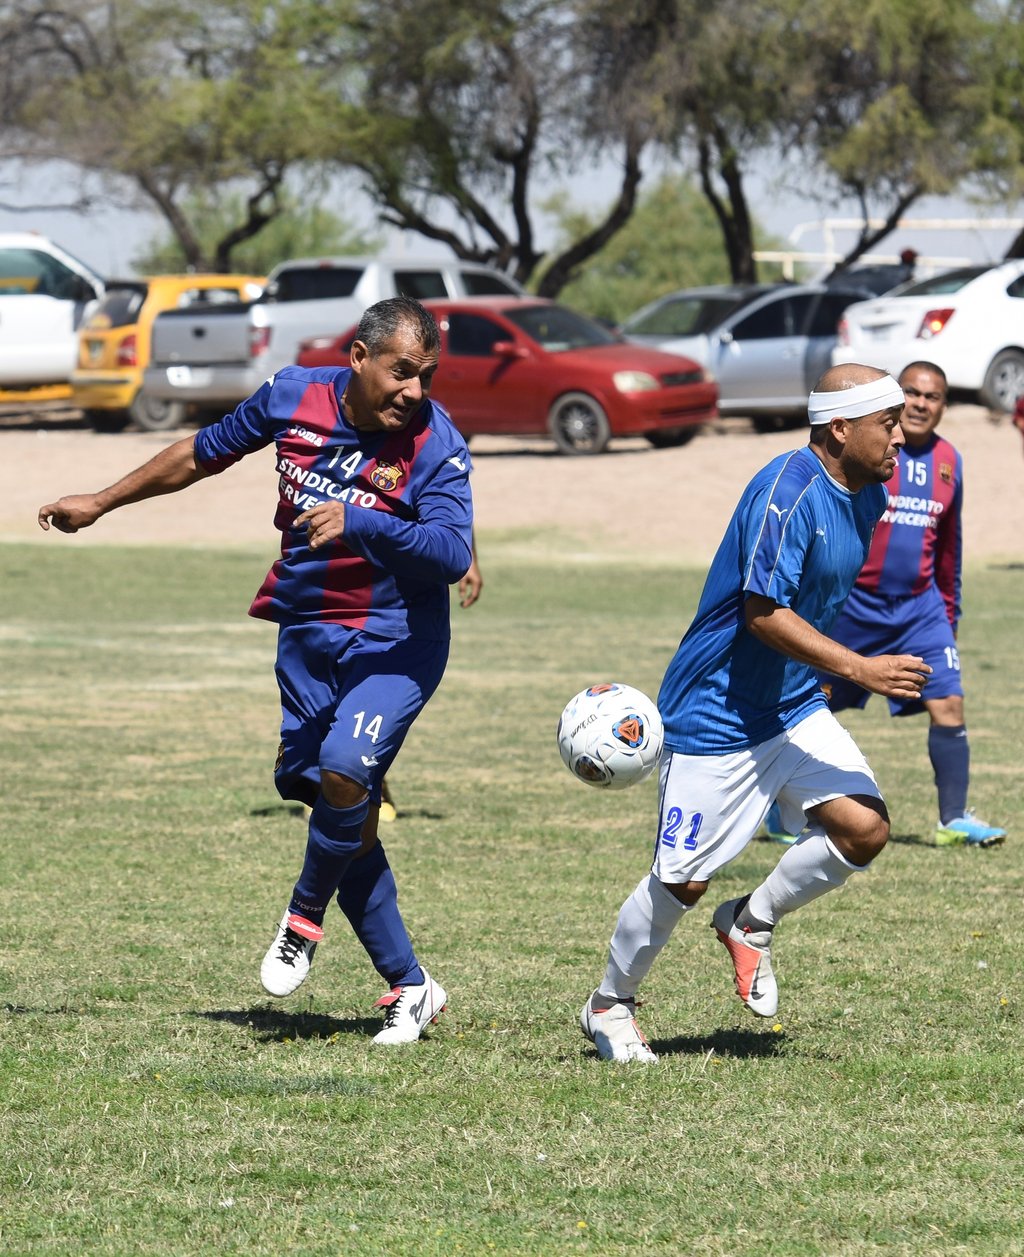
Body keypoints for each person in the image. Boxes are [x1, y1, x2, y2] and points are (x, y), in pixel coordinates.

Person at [38, 295, 473, 1046]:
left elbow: (453, 552)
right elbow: (199, 452)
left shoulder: (437, 438)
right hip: (306, 630)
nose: (415, 391)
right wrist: (102, 502)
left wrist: (365, 520)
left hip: (396, 638)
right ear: (359, 359)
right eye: (402, 372)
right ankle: (411, 985)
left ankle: (303, 917)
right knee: (337, 808)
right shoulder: (292, 396)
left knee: (344, 771)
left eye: (426, 375)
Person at [580, 364, 929, 1064]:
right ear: (839, 427)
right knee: (682, 880)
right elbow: (762, 612)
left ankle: (751, 921)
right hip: (716, 712)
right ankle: (608, 1005)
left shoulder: (868, 491)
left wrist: (815, 673)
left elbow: (818, 594)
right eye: (887, 423)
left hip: (790, 703)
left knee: (864, 828)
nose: (903, 435)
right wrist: (857, 668)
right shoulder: (787, 492)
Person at [762, 361, 1005, 849]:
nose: (919, 403)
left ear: (942, 406)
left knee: (949, 702)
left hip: (920, 609)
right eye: (911, 393)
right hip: (853, 607)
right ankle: (782, 809)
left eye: (932, 396)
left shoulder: (949, 462)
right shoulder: (867, 458)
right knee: (814, 707)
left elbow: (950, 549)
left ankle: (953, 819)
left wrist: (949, 617)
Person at [378, 541, 483, 823]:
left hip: (397, 588)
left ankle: (373, 785)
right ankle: (317, 782)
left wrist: (468, 555)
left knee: (378, 694)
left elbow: (451, 499)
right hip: (329, 582)